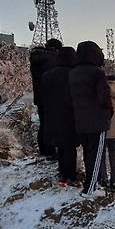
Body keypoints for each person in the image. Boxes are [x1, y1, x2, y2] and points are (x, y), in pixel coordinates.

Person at [69, 41, 112, 197]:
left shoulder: (73, 73)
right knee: (97, 155)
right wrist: (109, 113)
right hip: (97, 121)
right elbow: (104, 98)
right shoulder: (97, 73)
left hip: (80, 121)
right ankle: (90, 188)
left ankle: (91, 183)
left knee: (88, 154)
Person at [41, 47, 80, 187]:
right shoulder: (74, 74)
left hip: (53, 115)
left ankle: (62, 174)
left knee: (61, 147)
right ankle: (70, 176)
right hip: (70, 115)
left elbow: (43, 98)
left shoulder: (47, 75)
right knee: (70, 147)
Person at [30, 38, 61, 157]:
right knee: (52, 123)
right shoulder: (53, 59)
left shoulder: (37, 57)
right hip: (52, 97)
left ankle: (44, 150)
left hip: (39, 96)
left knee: (43, 123)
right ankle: (50, 150)